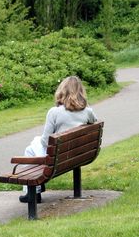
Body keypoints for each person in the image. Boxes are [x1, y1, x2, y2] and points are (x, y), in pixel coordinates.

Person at [19, 75, 97, 203]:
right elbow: (94, 121)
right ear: (81, 93)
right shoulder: (87, 111)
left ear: (62, 91)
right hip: (76, 154)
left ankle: (33, 192)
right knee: (34, 146)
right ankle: (35, 189)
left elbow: (45, 142)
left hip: (58, 157)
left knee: (31, 148)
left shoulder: (54, 112)